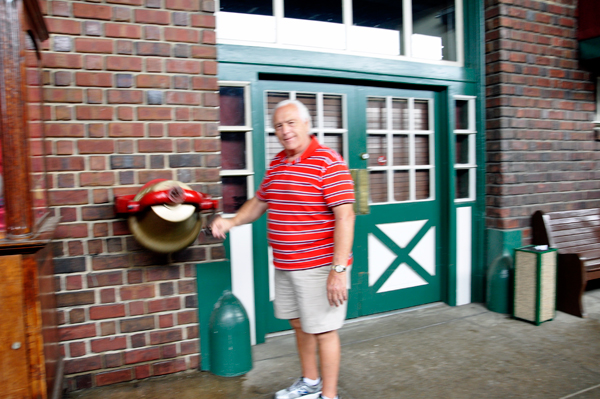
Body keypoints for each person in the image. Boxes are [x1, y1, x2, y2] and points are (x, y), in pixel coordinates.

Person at [210, 99, 355, 399]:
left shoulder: (328, 162)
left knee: (324, 329)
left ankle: (329, 396)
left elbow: (346, 216)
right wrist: (231, 221)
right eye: (278, 125)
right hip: (287, 264)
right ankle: (310, 383)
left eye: (291, 123)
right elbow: (260, 202)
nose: (285, 131)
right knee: (300, 324)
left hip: (320, 267)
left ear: (306, 124)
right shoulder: (278, 163)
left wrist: (338, 270)